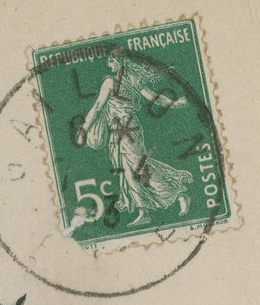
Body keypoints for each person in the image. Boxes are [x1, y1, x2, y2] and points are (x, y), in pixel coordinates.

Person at [78, 51, 192, 227]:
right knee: (128, 170)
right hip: (121, 129)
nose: (109, 65)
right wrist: (175, 103)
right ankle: (143, 211)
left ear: (121, 62)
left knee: (139, 167)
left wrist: (84, 129)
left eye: (111, 61)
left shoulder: (112, 82)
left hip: (127, 130)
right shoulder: (132, 81)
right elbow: (155, 98)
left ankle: (177, 194)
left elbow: (98, 106)